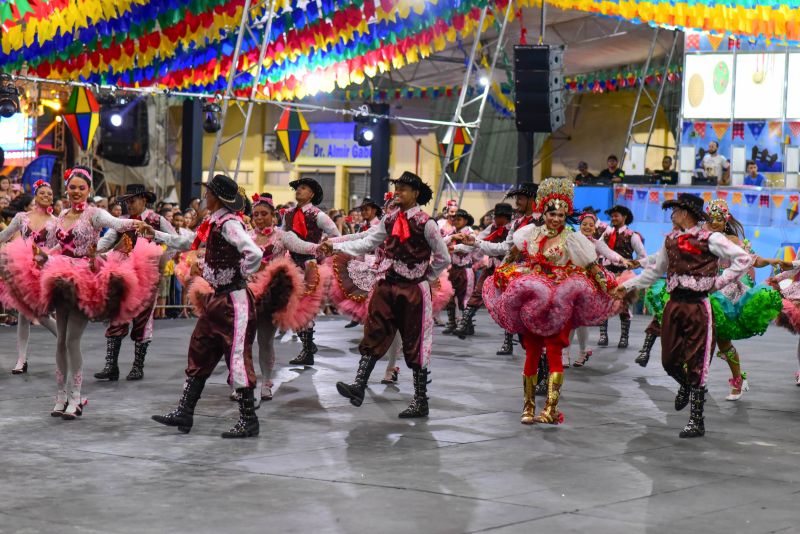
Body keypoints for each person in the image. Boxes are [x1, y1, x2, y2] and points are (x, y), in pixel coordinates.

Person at [2, 167, 158, 419]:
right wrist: (43, 255)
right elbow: (56, 247)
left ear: (88, 190)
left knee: (72, 340)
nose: (75, 192)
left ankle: (76, 396)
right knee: (61, 340)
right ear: (67, 189)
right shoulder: (62, 214)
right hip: (59, 278)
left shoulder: (95, 214)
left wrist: (138, 224)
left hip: (84, 280)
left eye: (81, 188)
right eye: (72, 187)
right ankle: (61, 395)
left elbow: (117, 224)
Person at [615, 193, 752, 438]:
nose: (672, 215)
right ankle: (687, 385)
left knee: (698, 362)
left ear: (686, 213)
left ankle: (696, 420)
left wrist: (718, 283)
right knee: (668, 360)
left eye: (675, 210)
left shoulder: (711, 238)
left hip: (698, 306)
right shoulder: (670, 240)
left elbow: (743, 259)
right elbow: (654, 272)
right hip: (674, 305)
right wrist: (626, 286)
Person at [483, 178, 617, 425]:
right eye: (552, 213)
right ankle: (528, 406)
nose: (556, 219)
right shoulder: (529, 234)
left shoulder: (572, 238)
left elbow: (591, 265)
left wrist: (609, 286)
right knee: (531, 352)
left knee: (554, 352)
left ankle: (551, 408)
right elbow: (511, 257)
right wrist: (502, 274)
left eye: (561, 214)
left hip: (560, 301)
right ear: (543, 211)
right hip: (533, 299)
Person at [320, 171, 451, 418]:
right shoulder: (389, 220)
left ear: (415, 193)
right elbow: (367, 243)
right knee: (375, 332)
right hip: (386, 286)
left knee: (416, 341)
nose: (398, 192)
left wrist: (424, 276)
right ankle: (358, 386)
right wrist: (336, 247)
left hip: (413, 290)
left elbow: (443, 258)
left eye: (403, 188)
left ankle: (420, 400)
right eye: (397, 187)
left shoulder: (427, 223)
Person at [151, 174, 263, 438]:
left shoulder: (230, 223)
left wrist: (241, 272)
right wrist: (155, 233)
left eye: (208, 193)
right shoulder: (213, 221)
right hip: (217, 299)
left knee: (236, 357)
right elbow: (189, 242)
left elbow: (254, 253)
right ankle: (185, 411)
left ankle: (249, 420)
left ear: (217, 197)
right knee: (200, 349)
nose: (205, 197)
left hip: (234, 301)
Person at [94, 184, 177, 382]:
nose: (128, 204)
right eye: (126, 201)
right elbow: (106, 241)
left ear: (144, 200)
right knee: (117, 317)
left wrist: (162, 261)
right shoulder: (122, 221)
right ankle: (111, 366)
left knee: (143, 320)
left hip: (147, 279)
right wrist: (94, 250)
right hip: (122, 277)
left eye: (132, 200)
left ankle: (137, 366)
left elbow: (175, 241)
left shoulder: (157, 220)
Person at [459, 182, 543, 358]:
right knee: (524, 334)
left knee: (538, 329)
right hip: (517, 278)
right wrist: (475, 243)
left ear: (531, 199)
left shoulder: (544, 220)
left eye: (520, 198)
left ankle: (545, 372)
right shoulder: (518, 223)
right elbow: (505, 248)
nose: (517, 202)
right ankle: (536, 373)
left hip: (539, 278)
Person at [0, 182, 58, 374]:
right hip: (23, 269)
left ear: (52, 198)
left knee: (41, 314)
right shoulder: (21, 218)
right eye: (42, 193)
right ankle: (21, 359)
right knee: (24, 314)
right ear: (35, 195)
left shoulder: (56, 221)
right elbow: (6, 234)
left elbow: (62, 245)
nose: (46, 196)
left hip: (45, 269)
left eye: (49, 194)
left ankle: (65, 341)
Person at [282, 177, 339, 366]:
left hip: (310, 265)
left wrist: (323, 251)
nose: (298, 190)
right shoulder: (288, 214)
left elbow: (336, 236)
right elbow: (282, 237)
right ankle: (308, 345)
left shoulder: (318, 215)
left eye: (303, 188)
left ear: (311, 194)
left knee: (304, 306)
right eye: (297, 187)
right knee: (287, 305)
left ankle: (307, 350)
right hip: (290, 263)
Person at [568, 210, 631, 368]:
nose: (588, 227)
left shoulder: (597, 243)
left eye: (591, 225)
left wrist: (622, 259)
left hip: (589, 284)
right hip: (570, 282)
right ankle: (565, 353)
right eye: (584, 224)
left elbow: (610, 253)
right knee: (568, 320)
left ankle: (582, 352)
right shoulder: (572, 239)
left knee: (579, 320)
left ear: (595, 228)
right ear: (579, 225)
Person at [451, 203, 513, 340]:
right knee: (477, 292)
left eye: (496, 216)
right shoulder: (492, 228)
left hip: (508, 269)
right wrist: (455, 248)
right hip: (491, 267)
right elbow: (476, 242)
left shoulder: (512, 229)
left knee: (508, 303)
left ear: (505, 217)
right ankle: (465, 323)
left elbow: (502, 248)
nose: (494, 219)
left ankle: (508, 341)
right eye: (494, 216)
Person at [598, 205, 646, 348]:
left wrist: (633, 264)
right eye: (612, 216)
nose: (613, 218)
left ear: (624, 217)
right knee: (603, 305)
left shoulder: (632, 235)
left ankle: (624, 337)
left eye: (616, 215)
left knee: (624, 306)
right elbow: (597, 248)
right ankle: (603, 336)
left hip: (623, 274)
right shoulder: (605, 234)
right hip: (606, 274)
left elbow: (643, 256)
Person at [441, 209, 477, 335]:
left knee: (465, 297)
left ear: (465, 220)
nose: (455, 221)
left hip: (465, 269)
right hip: (453, 269)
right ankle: (452, 323)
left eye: (459, 219)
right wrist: (451, 238)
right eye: (454, 219)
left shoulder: (470, 232)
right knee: (449, 296)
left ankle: (467, 324)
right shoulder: (452, 232)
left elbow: (469, 247)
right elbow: (441, 242)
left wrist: (453, 247)